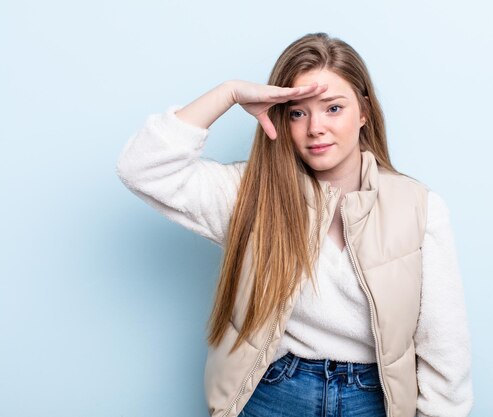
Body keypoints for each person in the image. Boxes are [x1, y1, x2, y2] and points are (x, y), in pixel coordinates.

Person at [116, 32, 473, 417]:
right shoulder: (250, 194)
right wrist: (230, 92)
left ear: (364, 112)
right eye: (298, 112)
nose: (315, 127)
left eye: (333, 108)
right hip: (273, 392)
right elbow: (141, 167)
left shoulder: (419, 207)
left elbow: (444, 344)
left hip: (373, 398)